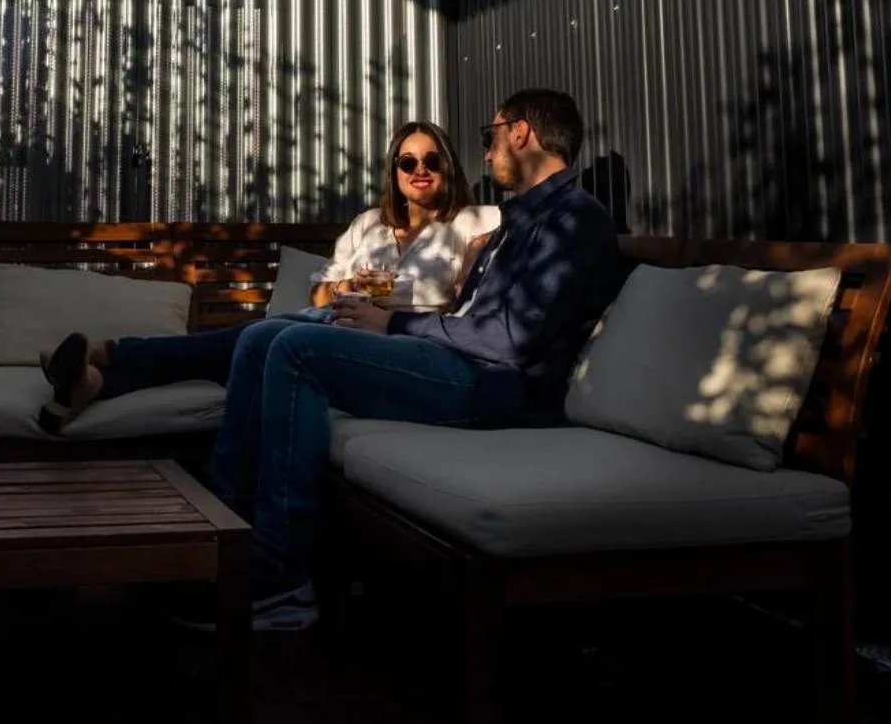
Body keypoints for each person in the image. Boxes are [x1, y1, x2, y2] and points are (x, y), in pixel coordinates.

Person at [181, 88, 626, 632]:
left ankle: (280, 579)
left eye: (490, 136)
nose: (486, 152)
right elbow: (479, 312)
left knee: (296, 350)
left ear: (521, 133)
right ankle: (223, 548)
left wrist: (395, 324)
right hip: (455, 361)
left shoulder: (573, 220)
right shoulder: (518, 219)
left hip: (496, 388)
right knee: (261, 339)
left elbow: (512, 340)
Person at [37, 120, 498, 434]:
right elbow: (318, 291)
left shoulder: (473, 221)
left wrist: (470, 259)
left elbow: (488, 274)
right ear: (394, 171)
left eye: (432, 160)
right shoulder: (369, 224)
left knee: (250, 338)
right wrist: (347, 287)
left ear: (449, 166)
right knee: (235, 350)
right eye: (408, 162)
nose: (421, 170)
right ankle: (94, 383)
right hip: (331, 323)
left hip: (394, 344)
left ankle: (106, 354)